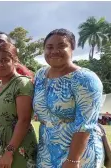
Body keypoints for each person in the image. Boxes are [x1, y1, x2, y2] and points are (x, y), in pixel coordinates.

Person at [34, 28, 104, 168]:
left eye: (61, 46)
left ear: (72, 48)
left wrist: (73, 160)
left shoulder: (85, 79)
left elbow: (85, 124)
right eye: (49, 47)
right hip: (47, 150)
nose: (54, 51)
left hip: (78, 152)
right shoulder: (40, 75)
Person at [0, 43, 38, 167]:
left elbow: (24, 120)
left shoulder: (22, 84)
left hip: (15, 151)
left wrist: (9, 152)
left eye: (5, 60)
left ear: (15, 61)